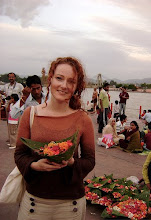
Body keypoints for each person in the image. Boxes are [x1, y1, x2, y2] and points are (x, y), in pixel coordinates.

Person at [14, 57, 95, 220]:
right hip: (34, 203)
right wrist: (35, 165)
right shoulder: (30, 115)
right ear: (50, 79)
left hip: (71, 205)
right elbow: (19, 155)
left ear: (76, 86)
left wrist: (71, 162)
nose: (64, 86)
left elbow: (89, 160)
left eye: (71, 81)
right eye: (59, 78)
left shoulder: (83, 119)